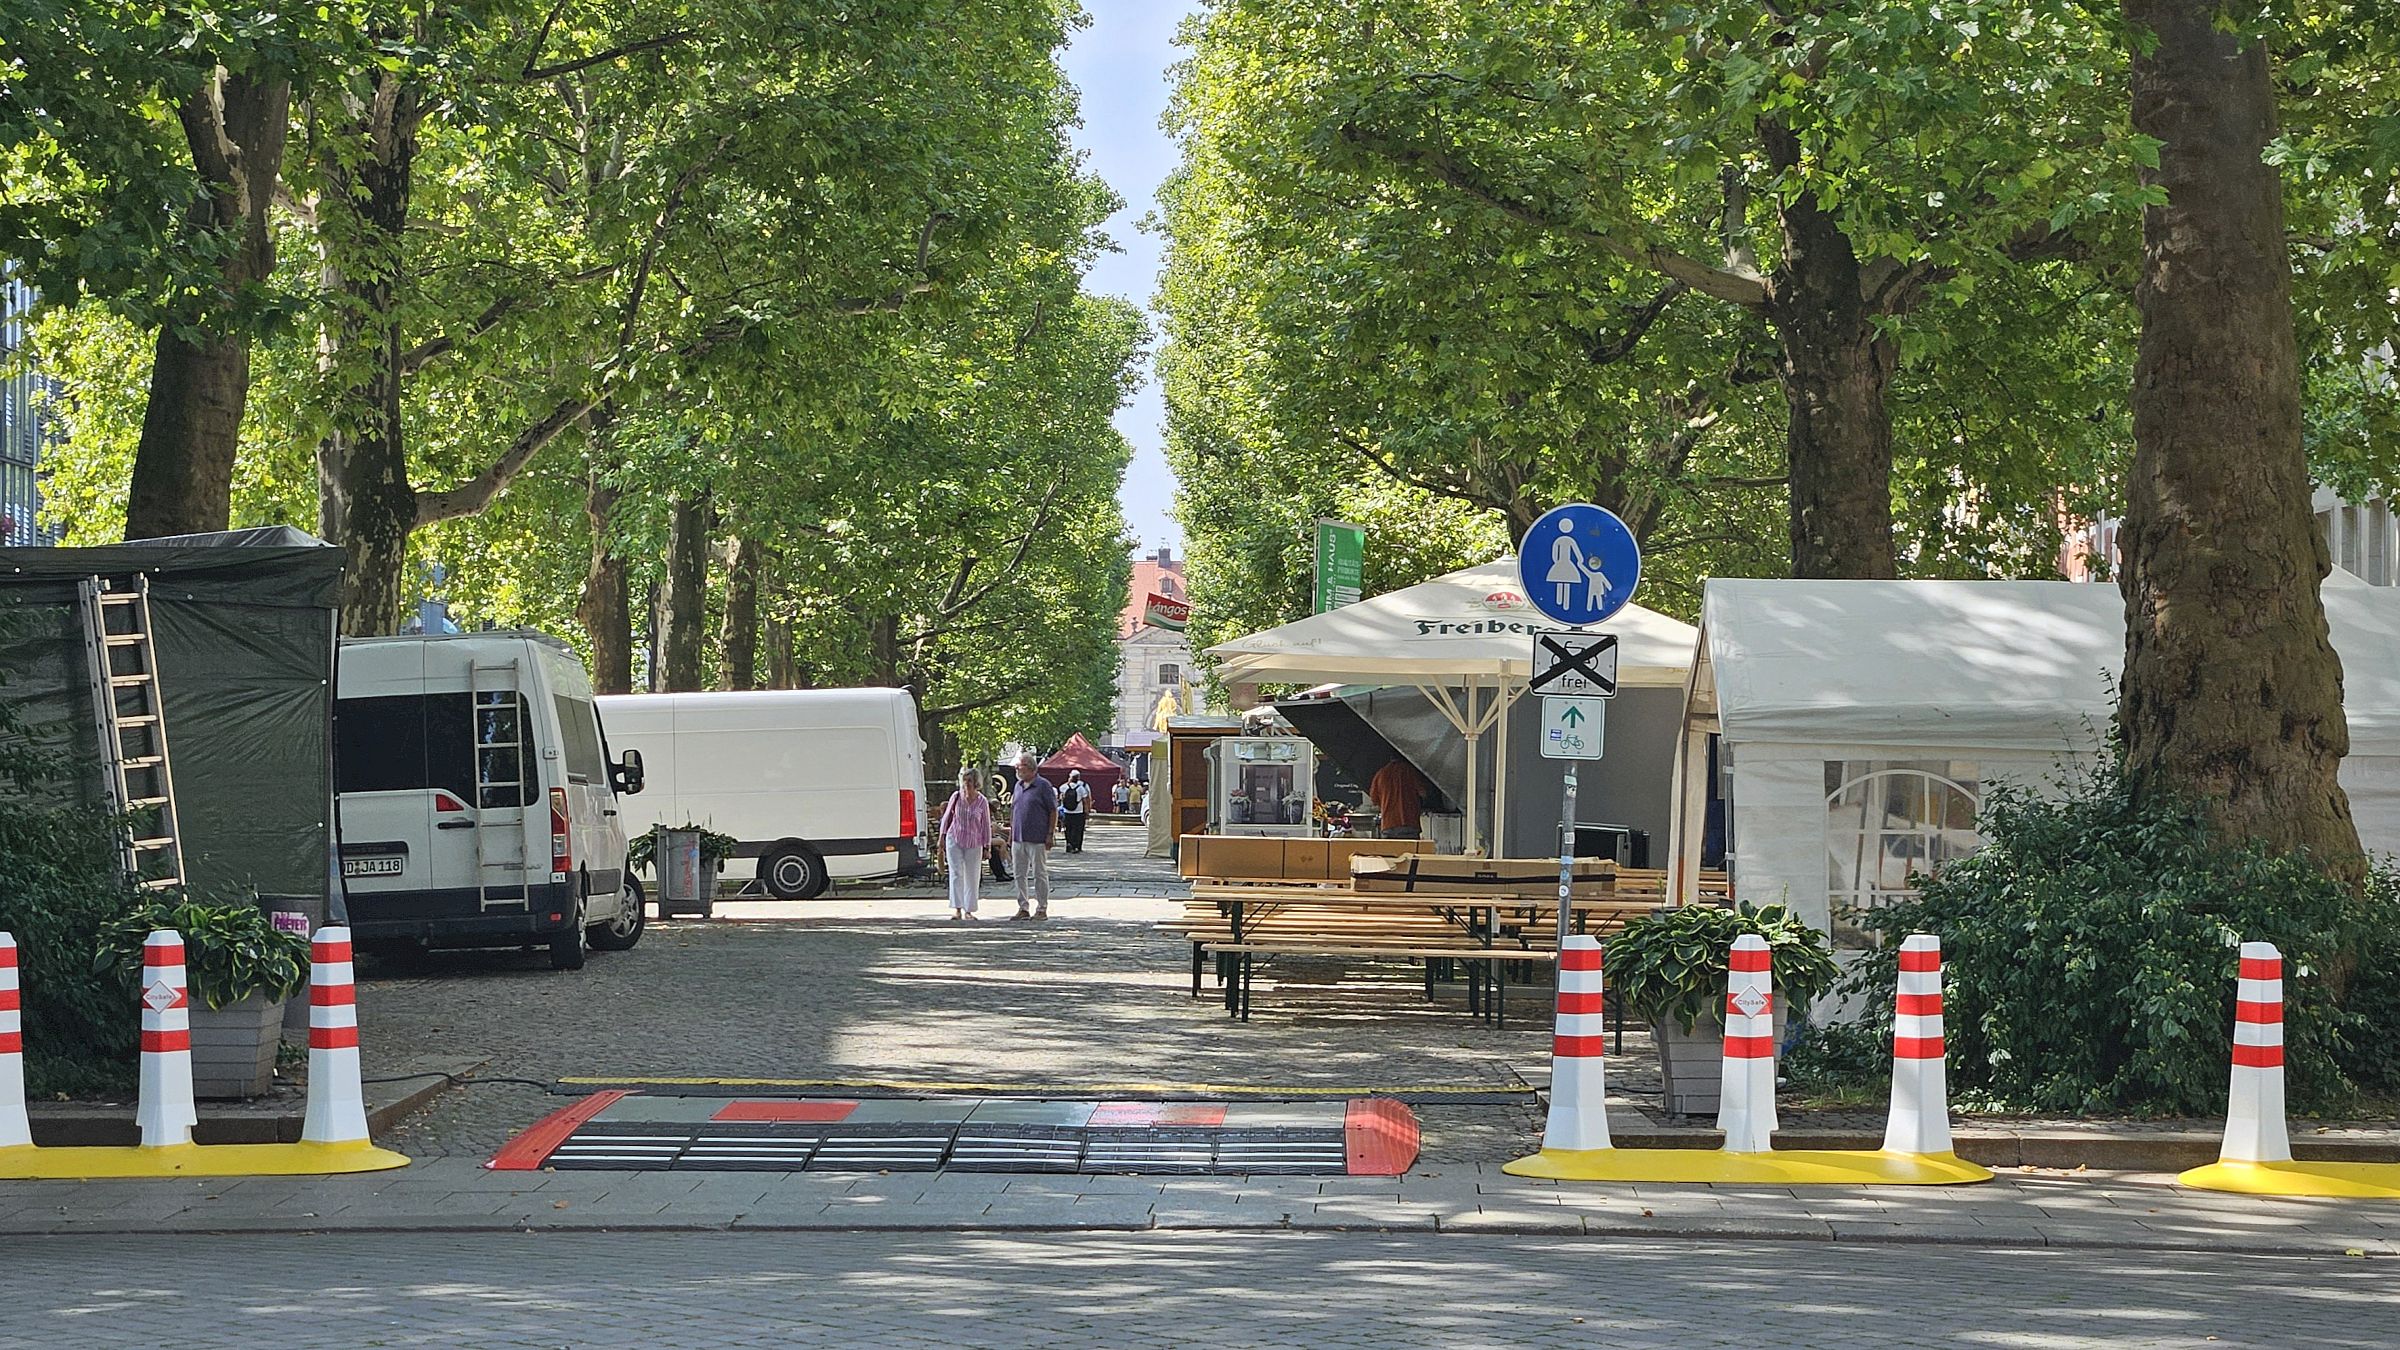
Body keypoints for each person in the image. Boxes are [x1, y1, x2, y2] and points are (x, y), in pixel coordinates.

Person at [936, 768, 992, 920]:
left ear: (976, 783)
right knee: (956, 873)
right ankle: (957, 909)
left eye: (969, 781)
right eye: (965, 780)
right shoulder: (956, 797)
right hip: (955, 837)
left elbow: (986, 825)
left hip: (974, 842)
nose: (966, 784)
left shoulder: (982, 801)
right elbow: (947, 818)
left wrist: (987, 846)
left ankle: (969, 910)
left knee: (972, 875)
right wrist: (942, 837)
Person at [1009, 751, 1059, 920]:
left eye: (1020, 766)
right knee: (1019, 873)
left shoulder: (1043, 785)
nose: (1017, 769)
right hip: (1018, 837)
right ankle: (1023, 906)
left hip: (1037, 837)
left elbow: (1053, 810)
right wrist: (1011, 832)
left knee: (1039, 873)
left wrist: (1050, 834)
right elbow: (1014, 810)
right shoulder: (1018, 785)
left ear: (1030, 768)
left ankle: (1042, 907)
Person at [1369, 758, 1431, 839]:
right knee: (1410, 851)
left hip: (1388, 824)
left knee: (1391, 851)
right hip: (1409, 823)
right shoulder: (1410, 771)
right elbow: (1423, 793)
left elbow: (1374, 799)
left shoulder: (1381, 773)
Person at [1059, 769, 1092, 853]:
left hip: (1067, 811)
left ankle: (1069, 843)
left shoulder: (1064, 787)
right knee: (1078, 829)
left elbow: (1061, 797)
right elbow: (1085, 800)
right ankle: (1076, 846)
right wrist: (1087, 811)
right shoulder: (1081, 788)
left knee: (1068, 829)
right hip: (1078, 812)